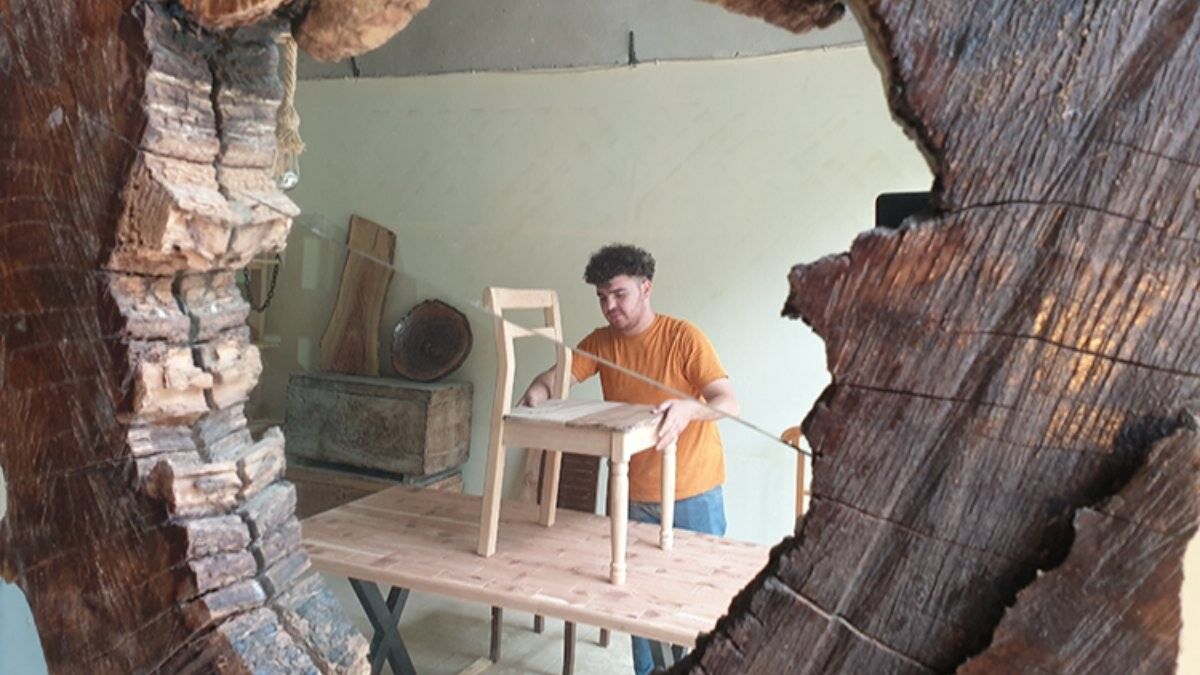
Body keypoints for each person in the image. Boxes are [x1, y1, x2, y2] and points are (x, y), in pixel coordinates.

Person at [518, 243, 740, 675]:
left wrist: (688, 409)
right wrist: (539, 391)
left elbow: (728, 401)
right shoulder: (600, 342)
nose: (610, 306)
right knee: (637, 606)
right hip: (635, 496)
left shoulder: (683, 337)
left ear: (646, 288)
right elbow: (557, 376)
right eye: (602, 297)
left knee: (695, 608)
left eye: (619, 294)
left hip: (694, 493)